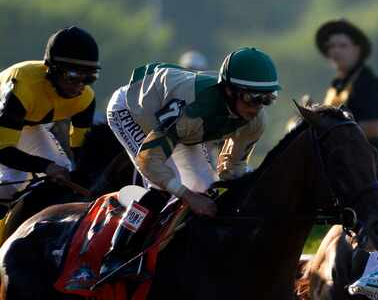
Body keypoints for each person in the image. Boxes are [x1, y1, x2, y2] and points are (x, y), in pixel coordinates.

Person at [103, 47, 281, 277]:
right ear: (228, 90)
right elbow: (150, 160)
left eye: (267, 99)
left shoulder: (255, 121)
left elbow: (230, 170)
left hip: (180, 126)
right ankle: (117, 254)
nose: (257, 107)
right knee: (164, 185)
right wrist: (188, 197)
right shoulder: (193, 109)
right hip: (131, 110)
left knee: (205, 187)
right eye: (252, 97)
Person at [0, 26, 99, 201]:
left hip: (26, 124)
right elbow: (3, 150)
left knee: (63, 171)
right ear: (52, 70)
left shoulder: (86, 98)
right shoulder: (23, 89)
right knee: (13, 184)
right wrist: (45, 166)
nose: (80, 85)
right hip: (6, 128)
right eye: (73, 76)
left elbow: (81, 149)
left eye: (89, 77)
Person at [315, 18, 378, 183]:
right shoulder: (335, 85)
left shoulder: (370, 83)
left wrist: (333, 130)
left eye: (343, 46)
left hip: (365, 172)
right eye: (332, 46)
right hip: (337, 170)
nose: (336, 51)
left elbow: (376, 127)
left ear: (357, 49)